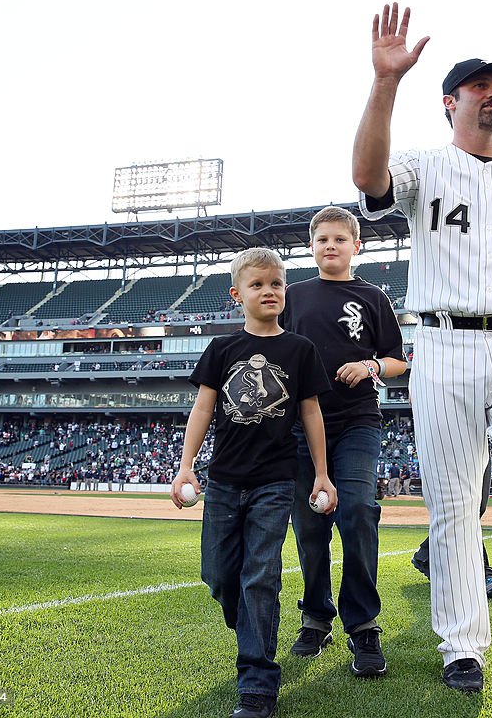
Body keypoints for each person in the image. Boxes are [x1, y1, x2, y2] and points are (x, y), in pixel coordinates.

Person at [353, 3, 492, 718]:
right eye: (477, 85)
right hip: (445, 345)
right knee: (452, 506)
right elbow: (369, 179)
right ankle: (462, 646)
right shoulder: (424, 165)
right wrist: (385, 83)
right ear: (450, 101)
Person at [171, 247, 338, 718]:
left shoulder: (299, 350)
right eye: (258, 284)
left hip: (274, 481)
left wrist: (322, 474)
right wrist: (187, 466)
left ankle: (258, 684)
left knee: (260, 576)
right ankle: (246, 617)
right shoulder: (222, 349)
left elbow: (311, 413)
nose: (269, 291)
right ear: (236, 294)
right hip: (223, 481)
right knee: (221, 575)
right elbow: (203, 408)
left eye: (277, 284)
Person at [280, 206, 407, 675]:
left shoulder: (373, 297)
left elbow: (398, 360)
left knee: (355, 510)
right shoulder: (292, 296)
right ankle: (315, 617)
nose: (329, 246)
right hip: (297, 427)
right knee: (309, 525)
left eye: (339, 239)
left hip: (357, 421)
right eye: (321, 240)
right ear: (311, 247)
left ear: (357, 246)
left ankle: (363, 625)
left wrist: (371, 366)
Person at [410, 462, 492, 599]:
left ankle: (425, 555)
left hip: (486, 443)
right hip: (451, 444)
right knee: (463, 508)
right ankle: (483, 573)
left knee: (477, 508)